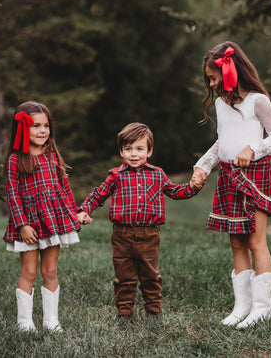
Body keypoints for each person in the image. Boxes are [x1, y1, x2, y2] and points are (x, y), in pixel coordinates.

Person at [191, 41, 271, 329]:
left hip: (255, 175)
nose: (211, 83)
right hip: (229, 177)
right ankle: (242, 306)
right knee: (236, 241)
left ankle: (263, 307)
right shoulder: (221, 104)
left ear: (230, 71)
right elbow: (223, 143)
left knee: (256, 241)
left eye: (213, 76)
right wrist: (202, 165)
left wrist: (252, 149)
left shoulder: (258, 100)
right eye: (209, 78)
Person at [78, 122, 202, 322]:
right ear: (121, 152)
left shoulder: (157, 174)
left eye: (139, 149)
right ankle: (124, 313)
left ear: (149, 151)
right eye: (128, 149)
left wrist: (193, 187)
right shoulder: (116, 176)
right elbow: (98, 194)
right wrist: (84, 210)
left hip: (148, 234)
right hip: (121, 235)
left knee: (150, 275)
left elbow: (175, 192)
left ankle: (153, 311)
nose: (134, 154)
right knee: (124, 276)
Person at [3, 101, 92, 332]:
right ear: (22, 128)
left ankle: (51, 320)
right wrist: (22, 225)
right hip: (28, 225)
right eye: (35, 126)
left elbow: (65, 188)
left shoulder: (53, 156)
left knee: (50, 271)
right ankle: (24, 322)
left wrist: (75, 213)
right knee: (30, 271)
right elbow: (13, 196)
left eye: (46, 125)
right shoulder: (16, 159)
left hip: (53, 222)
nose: (42, 130)